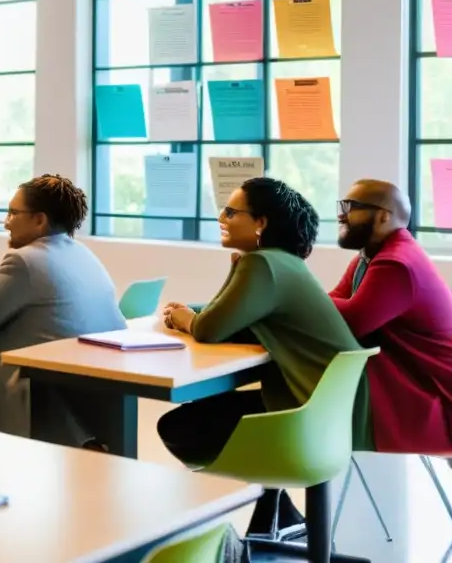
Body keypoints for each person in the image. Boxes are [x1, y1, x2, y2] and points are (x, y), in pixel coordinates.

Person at [156, 177, 372, 537]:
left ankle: (272, 506)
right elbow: (228, 318)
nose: (221, 217)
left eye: (231, 211)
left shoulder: (263, 266)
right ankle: (278, 511)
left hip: (300, 421)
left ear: (261, 223)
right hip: (329, 416)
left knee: (179, 426)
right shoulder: (283, 263)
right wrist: (233, 271)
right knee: (212, 411)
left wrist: (182, 318)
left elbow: (210, 328)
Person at [0, 174, 123, 445]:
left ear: (39, 219)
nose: (6, 223)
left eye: (12, 213)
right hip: (82, 387)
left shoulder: (24, 260)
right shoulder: (82, 253)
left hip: (31, 385)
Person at [331, 179, 452, 454]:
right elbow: (336, 301)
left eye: (352, 206)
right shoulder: (370, 257)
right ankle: (275, 491)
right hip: (410, 385)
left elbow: (350, 323)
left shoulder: (396, 263)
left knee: (311, 405)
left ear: (384, 216)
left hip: (437, 402)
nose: (342, 213)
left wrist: (296, 293)